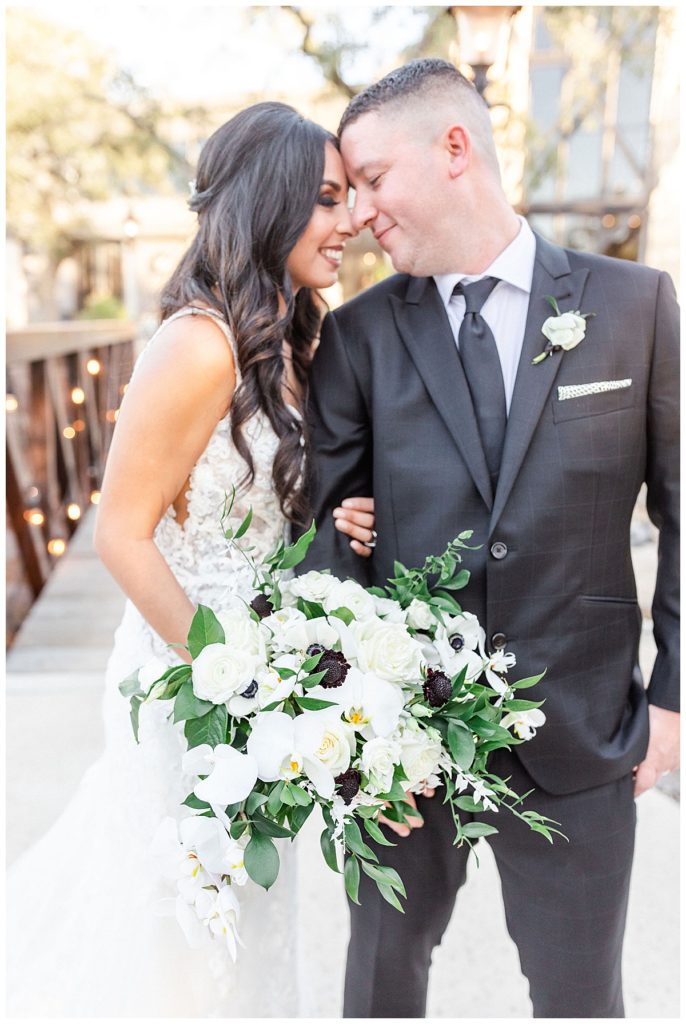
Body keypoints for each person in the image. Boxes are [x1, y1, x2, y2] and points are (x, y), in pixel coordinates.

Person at [302, 59, 680, 1018]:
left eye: (375, 181)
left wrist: (675, 699)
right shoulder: (356, 335)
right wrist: (344, 735)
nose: (360, 214)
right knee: (381, 986)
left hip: (580, 727)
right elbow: (318, 540)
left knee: (580, 998)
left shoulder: (635, 306)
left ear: (456, 150)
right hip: (397, 746)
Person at [6, 102, 377, 1017]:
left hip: (264, 690)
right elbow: (122, 535)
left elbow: (266, 510)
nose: (352, 221)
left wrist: (337, 519)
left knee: (250, 926)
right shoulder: (196, 342)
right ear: (271, 203)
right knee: (179, 934)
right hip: (189, 686)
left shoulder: (293, 341)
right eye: (329, 200)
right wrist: (235, 679)